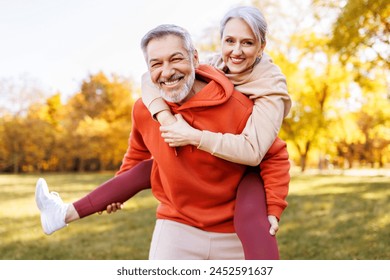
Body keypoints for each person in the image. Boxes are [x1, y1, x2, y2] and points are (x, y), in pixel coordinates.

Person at [36, 6, 290, 259]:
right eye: (230, 41)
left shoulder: (261, 94)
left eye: (247, 42)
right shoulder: (193, 75)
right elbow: (142, 123)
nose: (236, 51)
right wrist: (117, 189)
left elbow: (263, 152)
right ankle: (61, 214)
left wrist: (191, 135)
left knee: (254, 222)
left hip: (245, 170)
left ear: (261, 46)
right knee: (149, 168)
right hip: (178, 220)